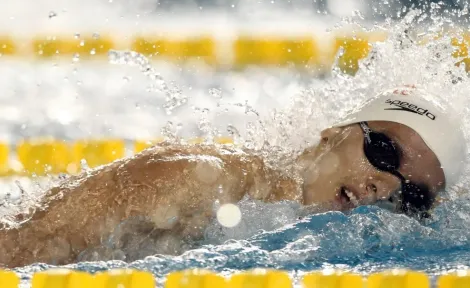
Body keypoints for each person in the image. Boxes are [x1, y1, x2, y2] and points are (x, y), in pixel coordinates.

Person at [0, 85, 466, 268]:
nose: (383, 186)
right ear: (331, 135)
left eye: (414, 196)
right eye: (383, 151)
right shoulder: (200, 180)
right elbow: (22, 249)